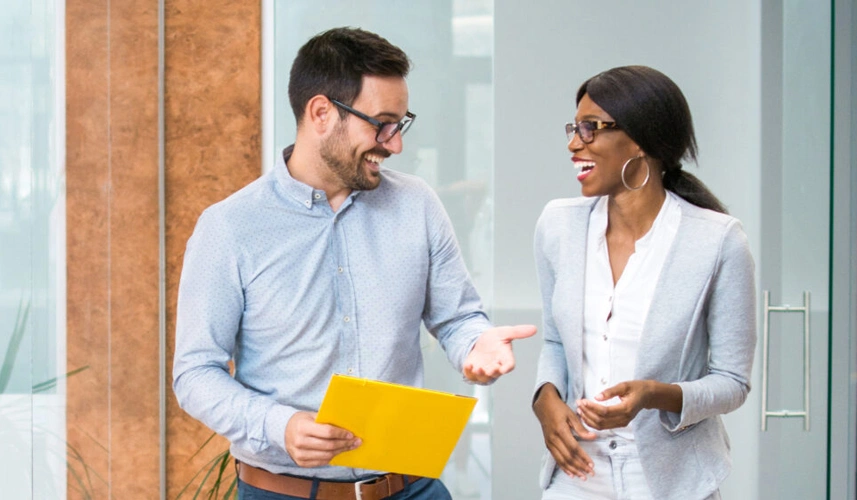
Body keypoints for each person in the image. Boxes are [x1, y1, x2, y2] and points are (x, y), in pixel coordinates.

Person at [172, 27, 536, 500]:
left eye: (400, 125)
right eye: (382, 123)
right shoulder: (230, 228)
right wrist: (279, 426)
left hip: (411, 488)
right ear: (321, 112)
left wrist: (475, 345)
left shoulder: (417, 205)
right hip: (283, 492)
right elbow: (195, 373)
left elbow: (458, 318)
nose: (395, 144)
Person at [531, 65, 756, 500]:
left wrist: (655, 395)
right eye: (574, 128)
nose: (574, 143)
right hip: (577, 476)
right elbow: (556, 343)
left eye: (590, 128)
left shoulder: (717, 240)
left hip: (671, 483)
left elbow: (732, 382)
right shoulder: (557, 226)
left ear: (639, 138)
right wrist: (545, 398)